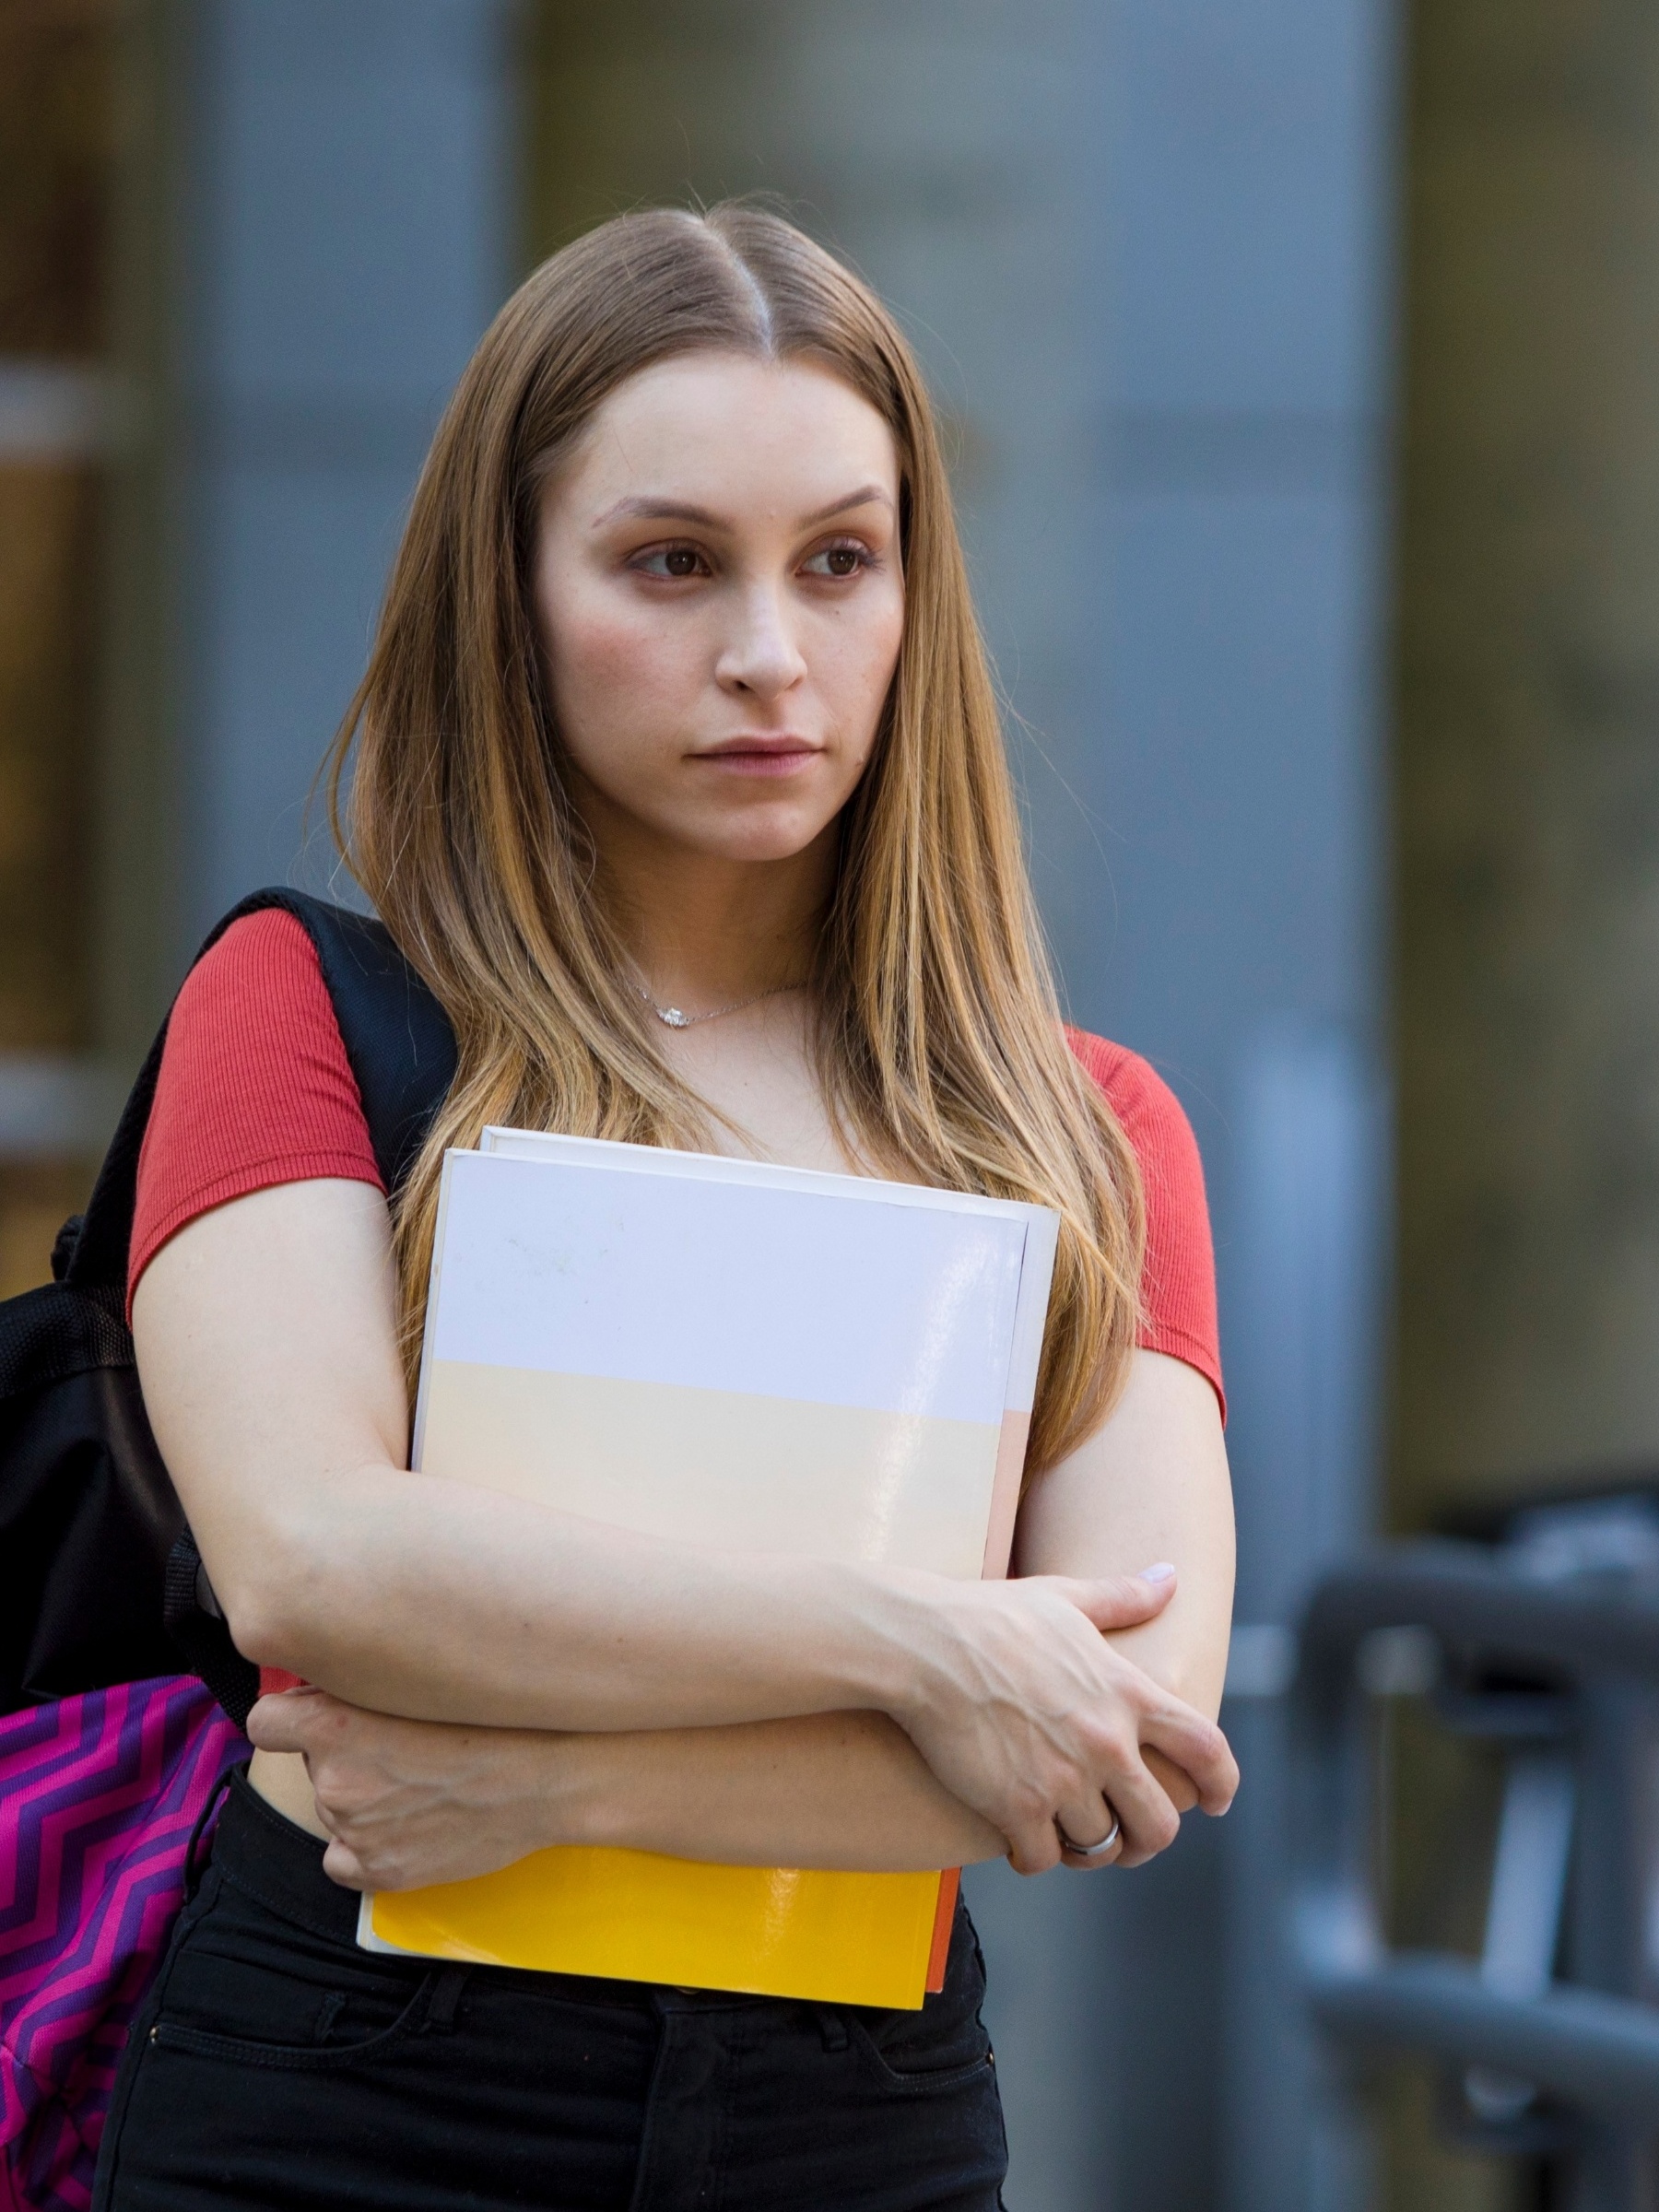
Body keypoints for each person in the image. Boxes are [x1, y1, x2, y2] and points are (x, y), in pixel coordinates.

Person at [93, 205, 1238, 2212]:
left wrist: (556, 1779)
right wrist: (923, 1645)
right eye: (670, 563)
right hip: (349, 2091)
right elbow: (317, 1565)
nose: (769, 655)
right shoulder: (307, 1011)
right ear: (509, 592)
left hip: (852, 2118)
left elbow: (1123, 1741)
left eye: (841, 562)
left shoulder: (1084, 1132)